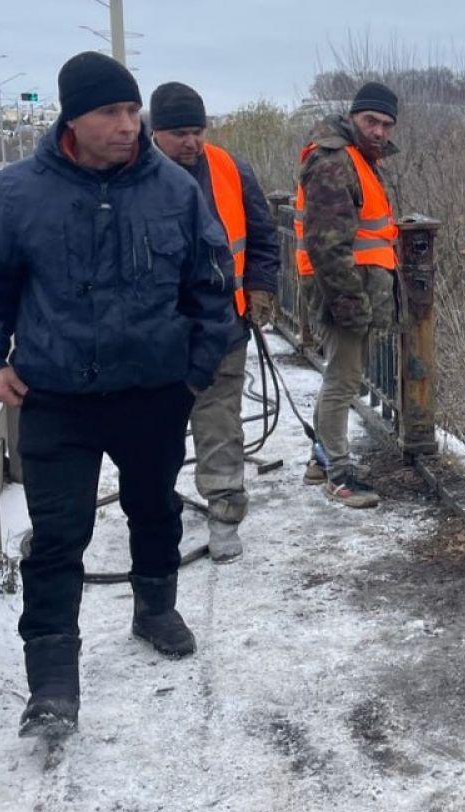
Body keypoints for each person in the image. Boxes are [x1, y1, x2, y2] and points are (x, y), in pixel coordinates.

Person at [0, 52, 239, 737]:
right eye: (111, 113)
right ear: (74, 118)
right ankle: (52, 682)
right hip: (55, 397)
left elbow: (213, 288)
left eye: (133, 112)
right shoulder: (16, 193)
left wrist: (191, 375)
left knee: (153, 510)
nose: (129, 126)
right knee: (59, 536)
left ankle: (155, 608)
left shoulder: (176, 191)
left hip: (153, 393)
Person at [150, 81, 280, 562]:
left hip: (224, 326)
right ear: (155, 133)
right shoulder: (128, 175)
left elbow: (264, 238)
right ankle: (153, 510)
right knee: (154, 428)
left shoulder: (228, 168)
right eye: (180, 133)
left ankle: (225, 513)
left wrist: (262, 289)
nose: (192, 142)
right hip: (157, 334)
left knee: (219, 422)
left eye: (197, 131)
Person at [294, 81, 401, 509]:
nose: (378, 131)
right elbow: (327, 246)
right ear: (354, 116)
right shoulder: (335, 161)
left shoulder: (355, 157)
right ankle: (337, 472)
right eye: (371, 120)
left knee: (341, 376)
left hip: (354, 288)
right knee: (343, 381)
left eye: (386, 124)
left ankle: (322, 459)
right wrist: (349, 304)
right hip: (344, 290)